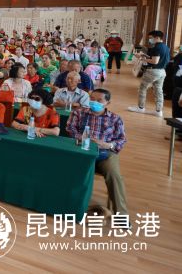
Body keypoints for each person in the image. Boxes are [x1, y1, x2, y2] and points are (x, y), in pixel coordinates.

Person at [66, 88, 128, 216]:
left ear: (108, 103)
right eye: (92, 99)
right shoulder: (79, 113)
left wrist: (107, 144)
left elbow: (121, 139)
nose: (95, 102)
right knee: (66, 168)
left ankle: (121, 214)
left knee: (114, 175)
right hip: (81, 150)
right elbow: (70, 129)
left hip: (105, 153)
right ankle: (69, 205)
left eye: (99, 100)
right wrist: (85, 139)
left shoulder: (115, 119)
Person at [129, 30, 170, 117]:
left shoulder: (157, 47)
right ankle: (159, 111)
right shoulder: (166, 47)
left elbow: (155, 61)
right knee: (159, 90)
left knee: (142, 88)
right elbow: (158, 59)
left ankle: (140, 107)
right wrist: (144, 56)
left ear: (157, 38)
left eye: (151, 38)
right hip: (162, 71)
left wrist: (141, 58)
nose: (150, 40)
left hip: (153, 71)